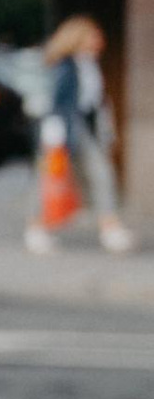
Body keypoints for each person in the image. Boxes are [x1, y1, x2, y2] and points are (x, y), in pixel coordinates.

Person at [28, 13, 134, 255]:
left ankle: (109, 226)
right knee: (49, 178)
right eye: (93, 36)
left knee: (100, 173)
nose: (99, 40)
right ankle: (36, 228)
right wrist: (54, 134)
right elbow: (56, 102)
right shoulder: (65, 65)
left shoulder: (87, 63)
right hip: (62, 130)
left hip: (81, 127)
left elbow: (94, 103)